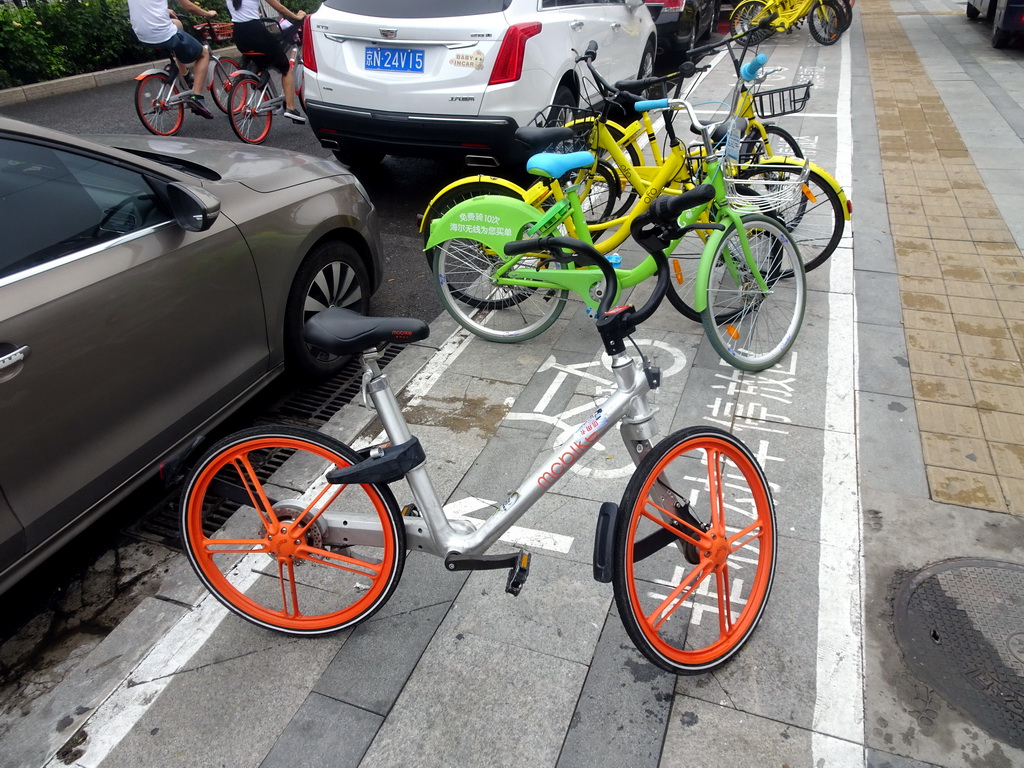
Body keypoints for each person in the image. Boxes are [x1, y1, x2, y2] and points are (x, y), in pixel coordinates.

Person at [128, 0, 218, 119]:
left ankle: (184, 74)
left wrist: (164, 11)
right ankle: (197, 97)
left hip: (143, 35)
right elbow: (189, 7)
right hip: (162, 34)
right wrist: (208, 14)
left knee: (178, 24)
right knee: (204, 54)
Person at [227, 0, 307, 123]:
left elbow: (240, 12)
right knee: (285, 69)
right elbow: (279, 8)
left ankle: (261, 74)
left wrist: (254, 14)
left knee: (261, 58)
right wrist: (298, 17)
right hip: (256, 33)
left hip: (239, 37)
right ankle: (290, 108)